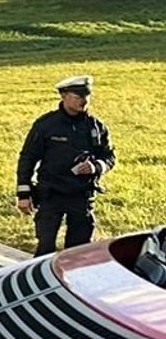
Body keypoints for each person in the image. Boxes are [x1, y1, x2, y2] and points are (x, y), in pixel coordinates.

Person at [16, 75, 116, 256]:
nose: (84, 101)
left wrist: (97, 167)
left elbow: (109, 156)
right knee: (45, 248)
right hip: (51, 195)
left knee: (78, 252)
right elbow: (28, 158)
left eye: (86, 96)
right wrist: (23, 193)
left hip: (81, 196)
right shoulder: (46, 125)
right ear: (63, 96)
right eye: (78, 96)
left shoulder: (95, 127)